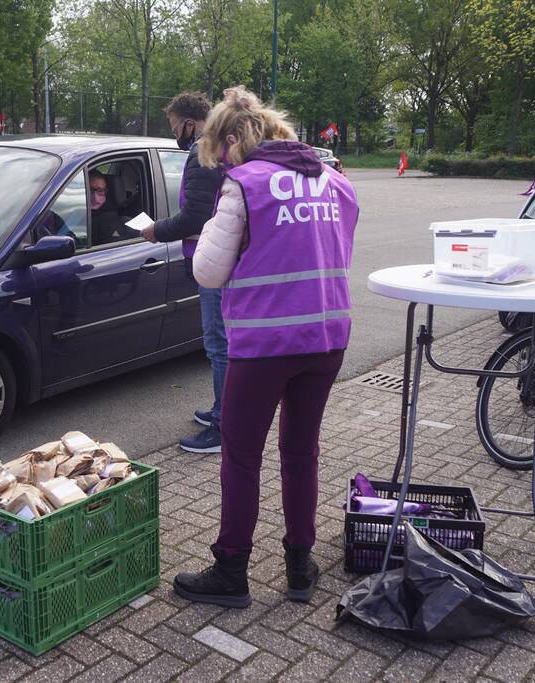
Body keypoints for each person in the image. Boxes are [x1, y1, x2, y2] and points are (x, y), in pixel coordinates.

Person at [173, 86, 359, 607]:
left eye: (219, 151)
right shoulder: (335, 182)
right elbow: (336, 249)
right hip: (326, 339)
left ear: (234, 140)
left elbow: (208, 272)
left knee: (241, 456)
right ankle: (300, 566)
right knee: (301, 452)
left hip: (264, 345)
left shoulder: (245, 183)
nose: (221, 162)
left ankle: (231, 570)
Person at [140, 92, 226, 454]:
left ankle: (223, 426)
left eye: (175, 127)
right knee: (222, 343)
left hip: (215, 261)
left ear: (189, 123)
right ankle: (222, 410)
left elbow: (195, 217)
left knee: (218, 345)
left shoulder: (202, 151)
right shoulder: (223, 147)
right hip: (225, 257)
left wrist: (155, 230)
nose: (175, 134)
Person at [89, 170, 129, 246]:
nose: (95, 197)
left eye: (100, 191)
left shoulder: (110, 222)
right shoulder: (77, 211)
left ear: (106, 192)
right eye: (90, 190)